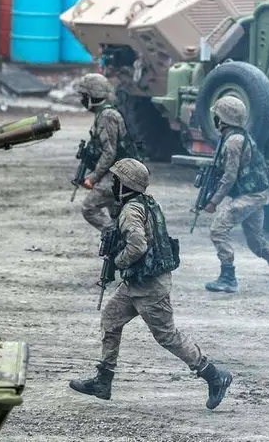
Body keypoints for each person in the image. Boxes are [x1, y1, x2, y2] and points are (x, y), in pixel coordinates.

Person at [69, 158, 233, 410]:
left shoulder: (131, 211)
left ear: (126, 186)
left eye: (117, 181)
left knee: (167, 336)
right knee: (111, 318)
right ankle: (103, 381)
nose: (113, 185)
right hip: (138, 280)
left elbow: (137, 245)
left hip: (149, 286)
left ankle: (214, 375)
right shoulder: (145, 202)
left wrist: (118, 261)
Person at [203, 96, 269, 293]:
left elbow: (229, 177)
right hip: (256, 193)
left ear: (224, 119)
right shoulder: (236, 136)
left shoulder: (233, 141)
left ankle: (228, 277)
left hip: (251, 196)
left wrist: (213, 202)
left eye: (217, 116)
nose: (215, 120)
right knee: (256, 241)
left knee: (218, 229)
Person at [76, 73, 130, 233]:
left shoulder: (107, 116)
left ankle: (116, 238)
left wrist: (93, 178)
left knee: (89, 208)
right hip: (117, 172)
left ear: (93, 95)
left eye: (85, 96)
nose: (83, 100)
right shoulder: (103, 114)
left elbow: (109, 152)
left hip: (117, 173)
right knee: (116, 213)